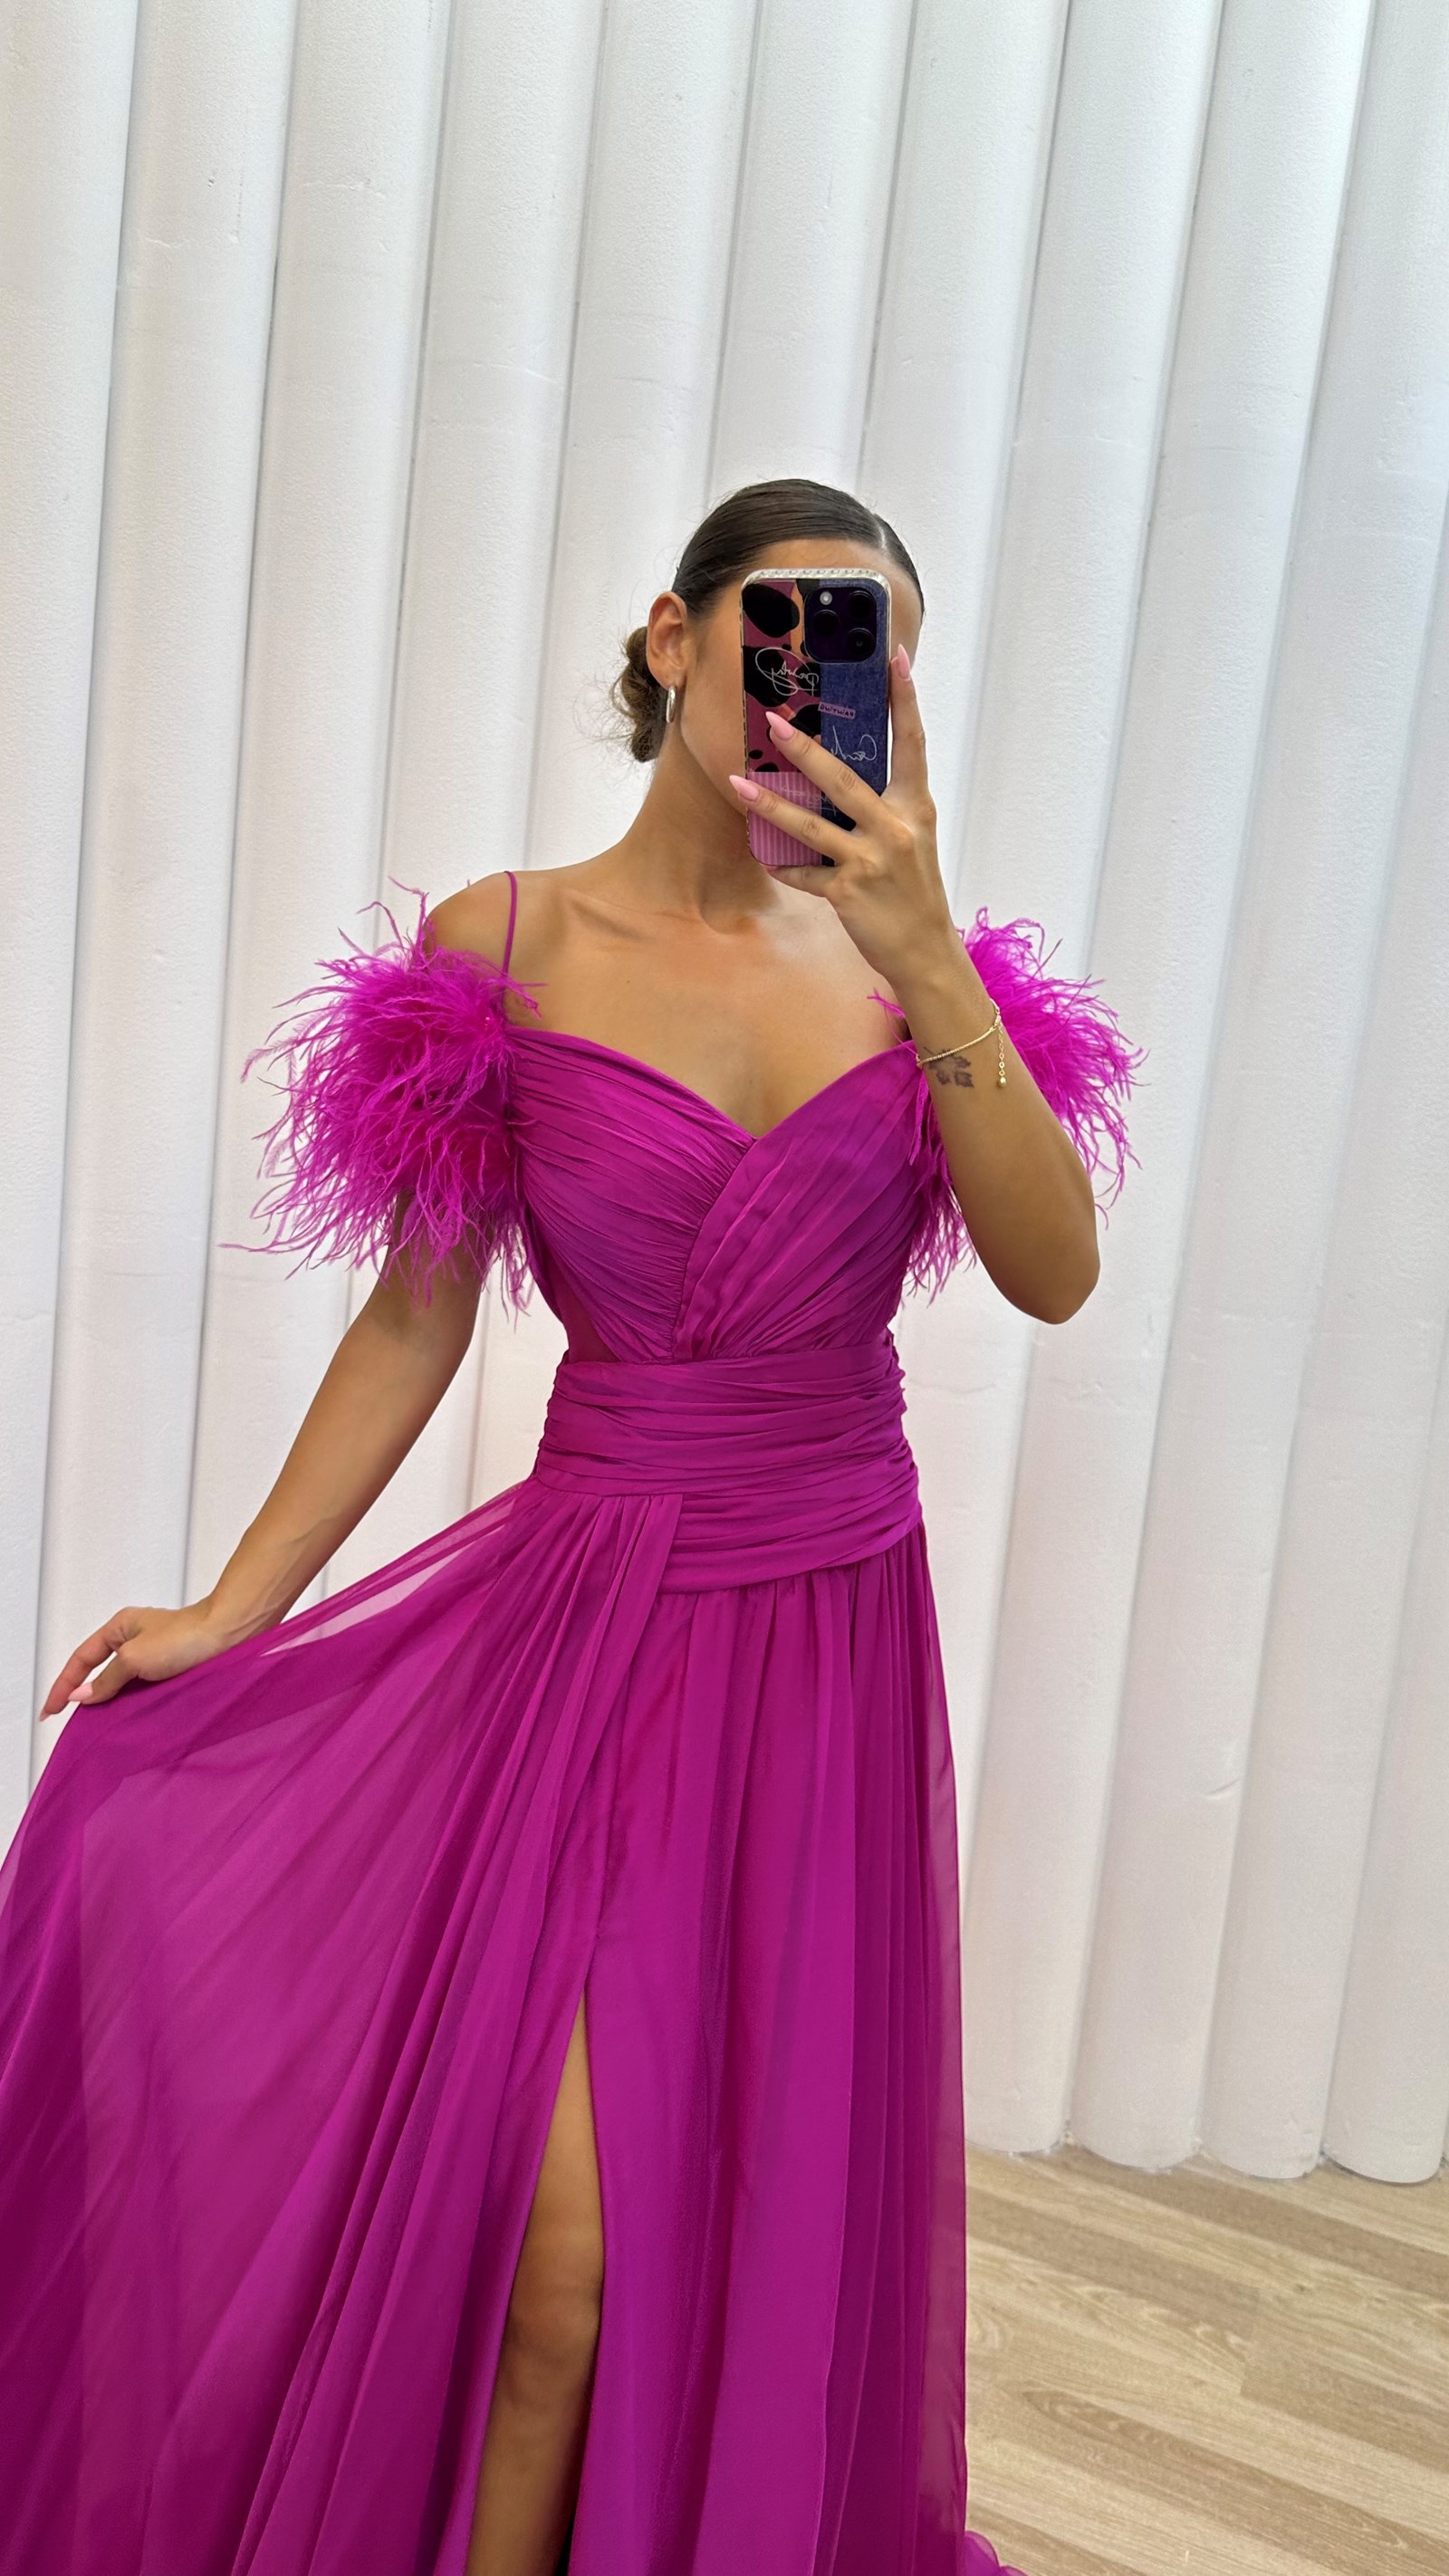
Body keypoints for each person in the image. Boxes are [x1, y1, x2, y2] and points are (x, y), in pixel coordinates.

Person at [0, 476, 1142, 2576]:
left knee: (748, 2206)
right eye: (777, 622)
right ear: (667, 638)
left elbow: (1053, 1273)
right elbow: (414, 1315)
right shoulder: (507, 950)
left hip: (827, 1631)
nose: (809, 678)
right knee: (565, 2272)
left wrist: (922, 950)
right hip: (594, 1633)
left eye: (865, 646)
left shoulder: (915, 974)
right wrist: (234, 1608)